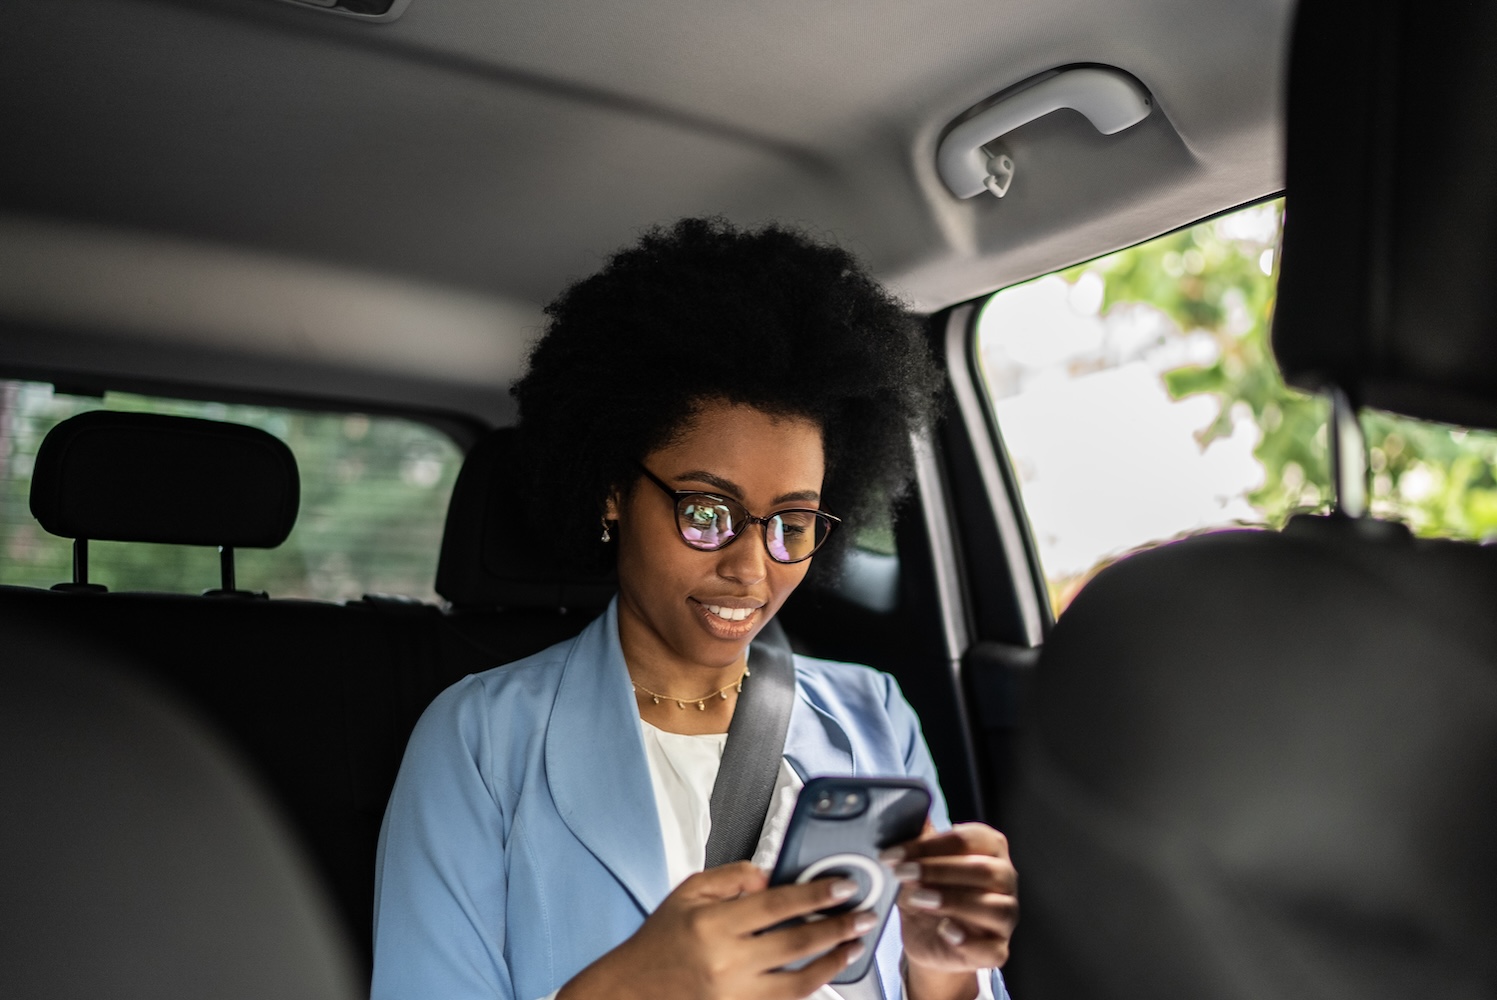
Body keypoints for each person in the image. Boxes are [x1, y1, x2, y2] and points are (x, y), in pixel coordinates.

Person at [371, 219, 1018, 1000]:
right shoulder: (476, 740)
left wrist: (942, 963)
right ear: (613, 490)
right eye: (707, 511)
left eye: (793, 522)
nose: (750, 568)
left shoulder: (873, 711)